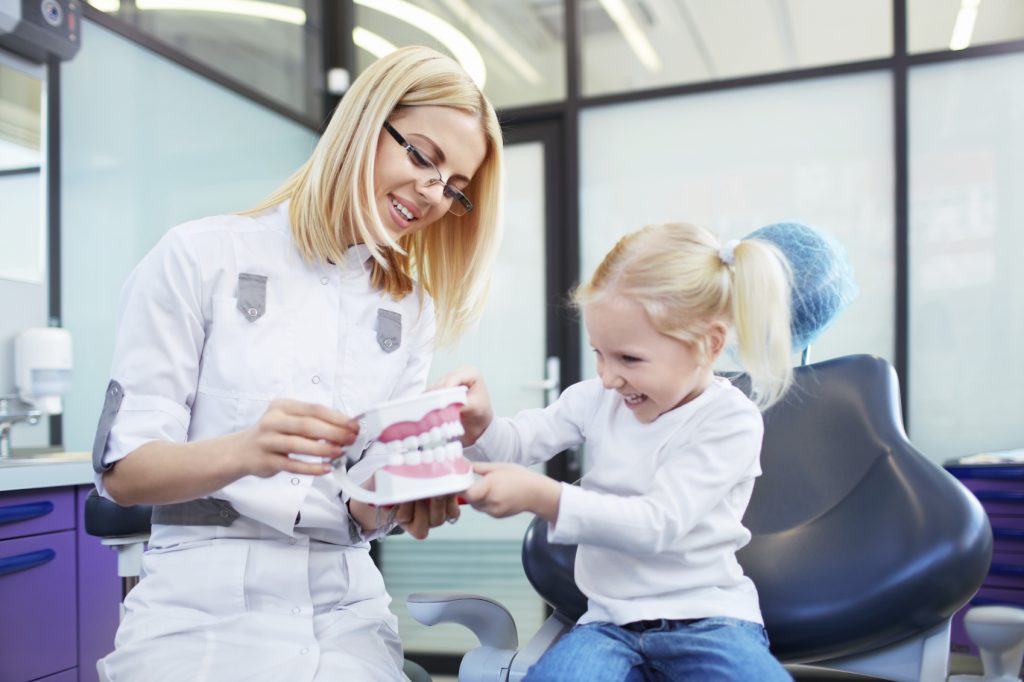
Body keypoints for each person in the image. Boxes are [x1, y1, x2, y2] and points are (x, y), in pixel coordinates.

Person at [91, 46, 504, 681]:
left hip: (345, 607)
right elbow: (125, 471)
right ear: (365, 124)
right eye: (422, 156)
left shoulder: (408, 310)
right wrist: (246, 450)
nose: (431, 194)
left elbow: (365, 506)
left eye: (454, 189)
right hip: (200, 603)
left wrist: (414, 493)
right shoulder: (201, 257)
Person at [442, 222, 795, 681]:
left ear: (708, 345)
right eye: (599, 353)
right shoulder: (596, 398)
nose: (609, 377)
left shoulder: (729, 420)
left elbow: (658, 524)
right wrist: (480, 423)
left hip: (711, 619)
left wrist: (541, 497)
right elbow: (516, 445)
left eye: (629, 359)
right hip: (607, 622)